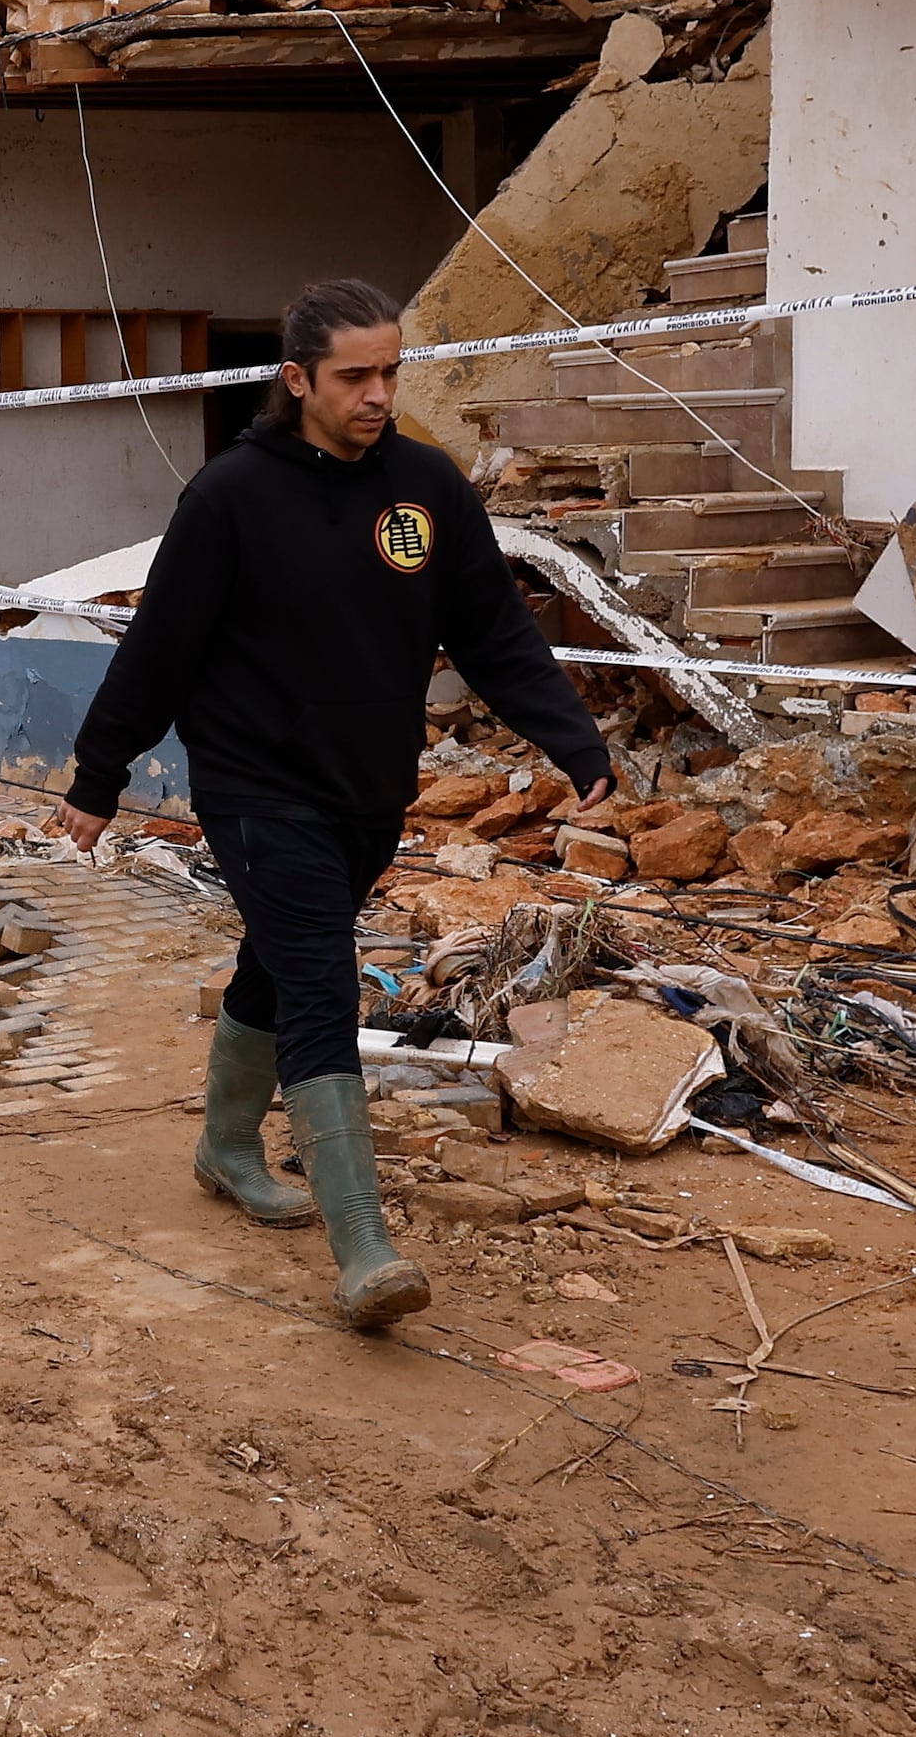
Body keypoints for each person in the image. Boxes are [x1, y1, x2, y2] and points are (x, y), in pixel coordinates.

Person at [58, 278, 615, 1328]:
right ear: (295, 379)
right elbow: (160, 649)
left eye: (389, 371)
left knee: (277, 957)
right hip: (253, 784)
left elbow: (490, 630)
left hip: (366, 785)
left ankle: (224, 1148)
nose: (376, 393)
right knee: (319, 976)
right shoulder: (230, 494)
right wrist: (99, 776)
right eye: (353, 375)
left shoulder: (425, 487)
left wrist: (569, 737)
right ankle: (363, 1246)